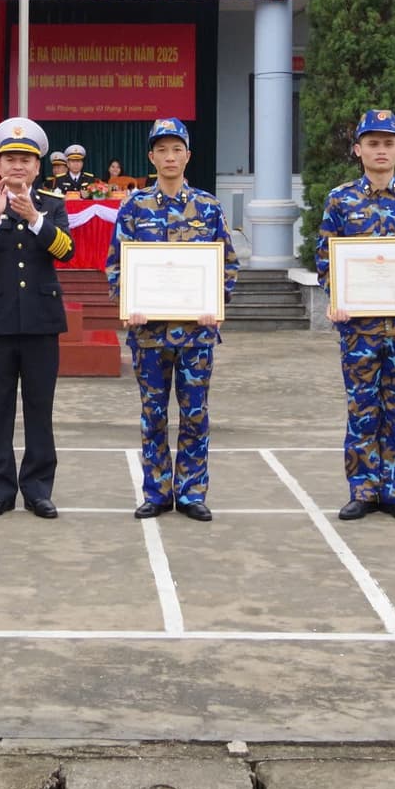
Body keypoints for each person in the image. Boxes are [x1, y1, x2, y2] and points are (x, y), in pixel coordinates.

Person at [107, 117, 238, 522]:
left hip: (196, 334)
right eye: (161, 150)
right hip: (148, 334)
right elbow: (117, 264)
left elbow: (227, 265)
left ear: (187, 156)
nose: (169, 157)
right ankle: (158, 491)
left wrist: (215, 303)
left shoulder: (209, 207)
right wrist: (128, 303)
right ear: (151, 156)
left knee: (195, 413)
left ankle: (192, 491)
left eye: (176, 149)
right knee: (154, 415)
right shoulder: (133, 206)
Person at [315, 109, 395, 524]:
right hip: (359, 329)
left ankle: (394, 488)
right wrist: (337, 297)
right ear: (358, 150)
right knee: (363, 409)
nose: (381, 150)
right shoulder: (340, 199)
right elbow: (325, 260)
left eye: (388, 143)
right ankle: (363, 490)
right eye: (372, 143)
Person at [0, 117, 73, 518]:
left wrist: (35, 219)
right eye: (10, 158)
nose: (17, 166)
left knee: (39, 409)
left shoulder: (53, 206)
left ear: (38, 166)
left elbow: (66, 251)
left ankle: (39, 488)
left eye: (25, 159)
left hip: (43, 322)